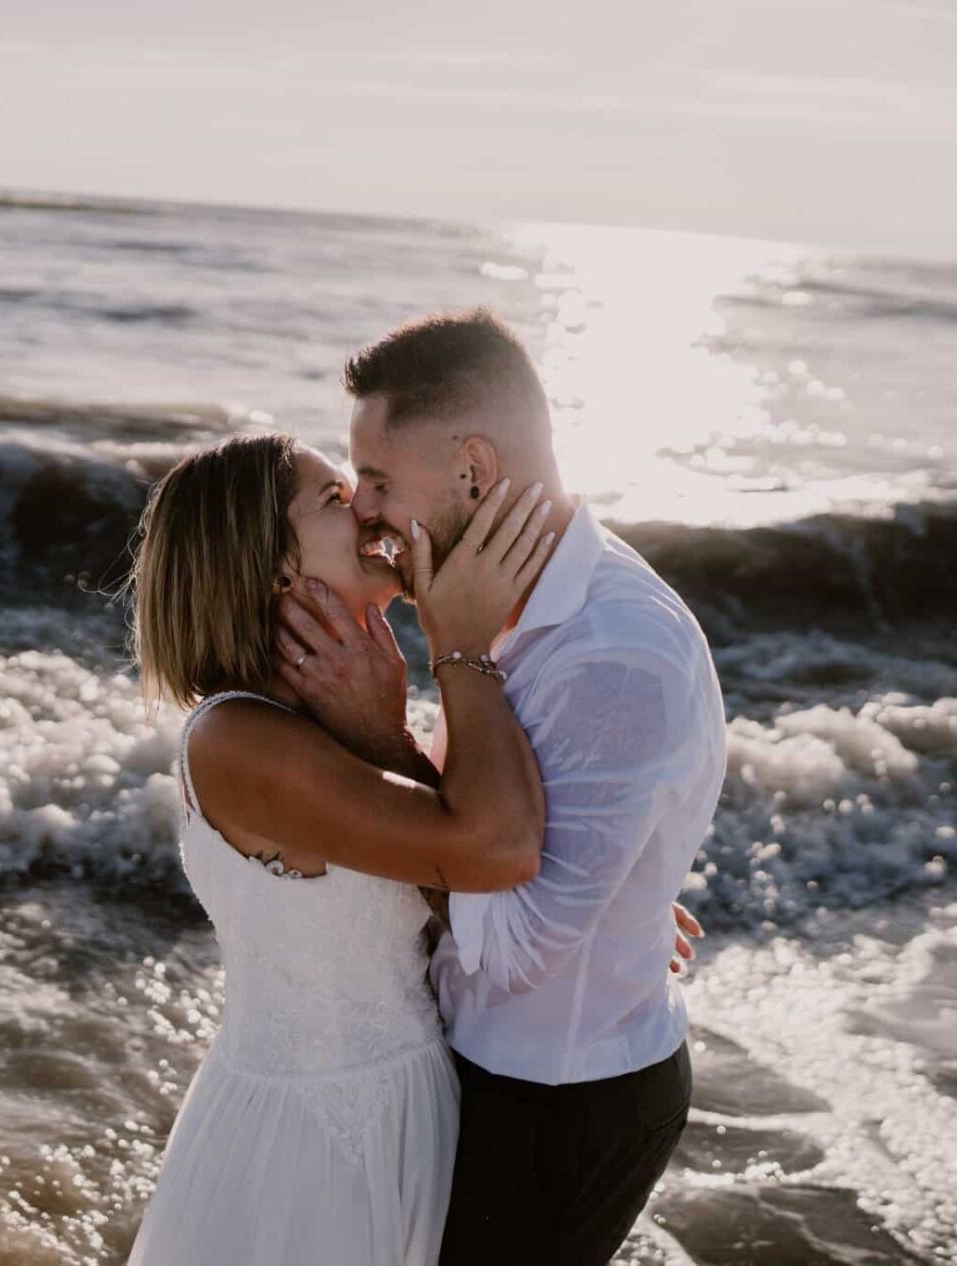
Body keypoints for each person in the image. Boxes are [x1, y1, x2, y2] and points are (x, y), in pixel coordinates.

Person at [279, 308, 729, 1264]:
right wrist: (621, 897)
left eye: (377, 480)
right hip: (485, 1064)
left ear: (473, 470)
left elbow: (515, 948)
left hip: (555, 1104)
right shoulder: (511, 607)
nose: (361, 510)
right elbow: (501, 866)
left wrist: (391, 725)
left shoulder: (611, 650)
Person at [124, 431, 557, 1266]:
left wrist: (606, 906)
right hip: (315, 1150)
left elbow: (460, 899)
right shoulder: (237, 741)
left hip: (400, 1112)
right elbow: (497, 849)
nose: (365, 506)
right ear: (276, 570)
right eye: (331, 499)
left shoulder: (331, 717)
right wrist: (456, 643)